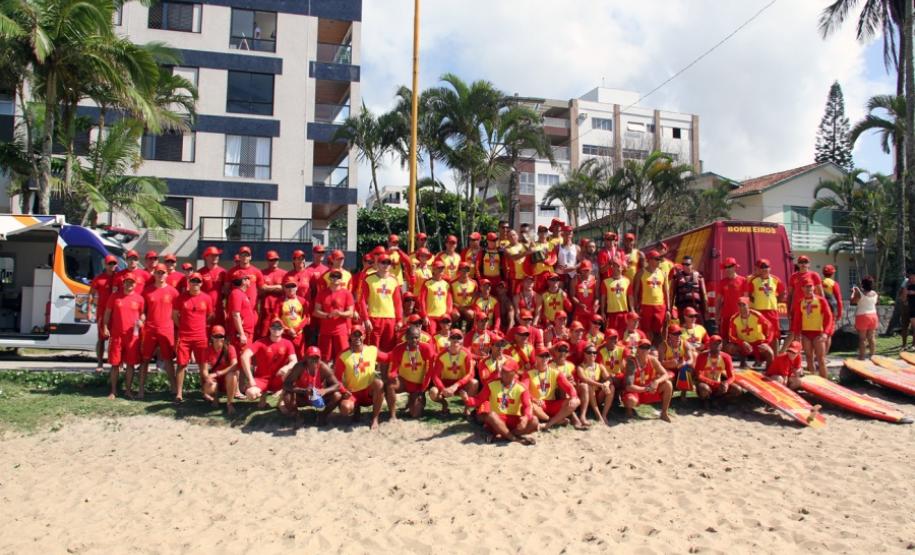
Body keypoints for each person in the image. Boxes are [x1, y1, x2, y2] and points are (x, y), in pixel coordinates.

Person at [466, 360, 538, 445]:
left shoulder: (522, 387)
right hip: (496, 420)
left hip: (513, 418)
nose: (503, 373)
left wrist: (526, 418)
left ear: (514, 373)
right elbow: (479, 399)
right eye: (503, 370)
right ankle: (515, 439)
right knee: (491, 415)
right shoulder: (491, 384)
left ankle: (503, 435)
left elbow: (528, 406)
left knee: (534, 421)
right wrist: (468, 400)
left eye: (507, 371)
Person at [334, 326, 388, 430]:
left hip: (368, 392)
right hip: (353, 393)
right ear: (350, 336)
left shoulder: (372, 350)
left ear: (364, 336)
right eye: (354, 335)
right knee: (345, 408)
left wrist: (401, 349)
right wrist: (343, 391)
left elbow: (388, 357)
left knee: (379, 383)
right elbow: (336, 380)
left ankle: (375, 418)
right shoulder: (343, 356)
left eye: (360, 334)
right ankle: (356, 409)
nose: (357, 337)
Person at [102, 273, 145, 399]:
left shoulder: (139, 299)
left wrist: (142, 321)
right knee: (115, 364)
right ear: (123, 283)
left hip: (132, 337)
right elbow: (107, 313)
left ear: (135, 284)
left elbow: (142, 314)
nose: (129, 284)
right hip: (117, 336)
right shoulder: (115, 296)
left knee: (130, 364)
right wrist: (105, 327)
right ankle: (113, 391)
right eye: (127, 282)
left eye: (132, 282)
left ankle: (128, 390)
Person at [139, 263, 179, 399]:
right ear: (154, 274)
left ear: (167, 274)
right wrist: (141, 320)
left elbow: (177, 312)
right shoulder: (147, 291)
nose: (160, 275)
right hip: (150, 329)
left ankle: (174, 389)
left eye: (163, 273)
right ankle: (141, 389)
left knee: (168, 360)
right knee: (145, 360)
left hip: (166, 329)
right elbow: (143, 311)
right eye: (158, 272)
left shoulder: (173, 292)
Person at [239, 318, 298, 408]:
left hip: (279, 378)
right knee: (250, 393)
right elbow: (244, 356)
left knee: (290, 372)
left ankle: (281, 402)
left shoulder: (288, 343)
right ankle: (263, 399)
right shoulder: (260, 342)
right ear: (269, 328)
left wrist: (286, 367)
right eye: (273, 327)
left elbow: (294, 361)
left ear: (283, 330)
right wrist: (250, 379)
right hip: (262, 379)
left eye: (279, 327)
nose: (276, 329)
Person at [173, 272, 215, 402]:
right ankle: (179, 393)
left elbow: (210, 315)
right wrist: (182, 327)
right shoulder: (181, 298)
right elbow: (174, 315)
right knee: (181, 365)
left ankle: (205, 392)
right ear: (189, 282)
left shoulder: (207, 298)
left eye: (198, 281)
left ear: (201, 283)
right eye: (193, 281)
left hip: (200, 337)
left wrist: (201, 325)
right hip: (184, 337)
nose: (195, 283)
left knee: (203, 366)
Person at [280, 346, 342, 424]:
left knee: (337, 395)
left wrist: (324, 391)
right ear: (306, 358)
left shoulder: (323, 367)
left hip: (319, 396)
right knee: (287, 395)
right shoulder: (299, 367)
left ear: (320, 358)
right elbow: (286, 384)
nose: (314, 360)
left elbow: (337, 385)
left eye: (316, 357)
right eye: (311, 357)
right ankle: (297, 416)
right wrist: (303, 391)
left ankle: (323, 415)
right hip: (302, 396)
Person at [385, 327, 436, 419]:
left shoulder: (426, 348)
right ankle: (393, 415)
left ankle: (413, 399)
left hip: (418, 385)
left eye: (417, 337)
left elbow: (429, 371)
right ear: (406, 337)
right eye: (411, 337)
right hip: (404, 381)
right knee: (390, 385)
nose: (414, 340)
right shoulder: (399, 349)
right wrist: (392, 376)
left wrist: (422, 389)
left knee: (415, 414)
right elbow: (393, 369)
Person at [527, 346, 581, 430]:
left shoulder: (556, 372)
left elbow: (569, 387)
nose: (544, 358)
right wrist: (534, 399)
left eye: (546, 356)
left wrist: (573, 397)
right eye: (541, 356)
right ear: (536, 357)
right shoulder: (529, 373)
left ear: (549, 358)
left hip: (552, 404)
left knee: (576, 401)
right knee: (529, 405)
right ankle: (553, 420)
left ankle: (548, 424)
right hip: (538, 404)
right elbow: (524, 390)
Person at [790, 278, 834, 379]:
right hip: (806, 333)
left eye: (810, 286)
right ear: (802, 288)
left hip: (819, 333)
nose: (809, 289)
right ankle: (813, 380)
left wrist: (826, 333)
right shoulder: (800, 302)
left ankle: (825, 381)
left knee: (820, 359)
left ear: (814, 287)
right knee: (809, 357)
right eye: (806, 287)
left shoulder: (821, 300)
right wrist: (797, 335)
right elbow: (797, 320)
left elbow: (829, 317)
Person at [359, 253, 403, 351]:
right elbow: (362, 301)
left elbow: (398, 303)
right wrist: (366, 319)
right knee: (373, 349)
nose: (386, 265)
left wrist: (399, 320)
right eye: (383, 262)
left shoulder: (394, 281)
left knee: (388, 349)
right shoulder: (369, 279)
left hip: (390, 319)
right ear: (378, 264)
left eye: (388, 263)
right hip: (374, 318)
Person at [429, 329, 478, 415]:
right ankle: (444, 404)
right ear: (449, 339)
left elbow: (471, 374)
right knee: (433, 392)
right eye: (453, 337)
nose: (456, 340)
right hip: (445, 383)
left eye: (458, 337)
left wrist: (456, 385)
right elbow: (435, 376)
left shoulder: (466, 353)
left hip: (460, 384)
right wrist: (443, 389)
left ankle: (467, 408)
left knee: (474, 383)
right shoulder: (441, 355)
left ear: (462, 340)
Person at [623, 339, 673, 422]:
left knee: (668, 384)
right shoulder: (632, 363)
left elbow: (665, 374)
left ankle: (664, 413)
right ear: (637, 349)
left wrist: (657, 382)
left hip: (649, 390)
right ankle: (628, 411)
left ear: (649, 350)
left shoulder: (652, 360)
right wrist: (647, 389)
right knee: (630, 401)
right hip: (636, 391)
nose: (644, 350)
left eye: (647, 348)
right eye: (642, 347)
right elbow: (629, 387)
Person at [313, 268, 355, 362]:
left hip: (341, 331)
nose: (335, 278)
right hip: (325, 331)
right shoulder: (322, 293)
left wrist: (339, 313)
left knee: (343, 358)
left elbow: (351, 313)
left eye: (338, 277)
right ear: (329, 278)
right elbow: (316, 312)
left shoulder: (347, 293)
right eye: (333, 276)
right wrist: (327, 315)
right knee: (324, 359)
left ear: (341, 279)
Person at [746, 258, 785, 353]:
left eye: (766, 267)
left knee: (775, 335)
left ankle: (775, 356)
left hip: (772, 311)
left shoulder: (775, 280)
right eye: (762, 267)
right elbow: (749, 295)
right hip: (758, 312)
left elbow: (782, 293)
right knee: (759, 334)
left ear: (770, 268)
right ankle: (760, 358)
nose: (764, 269)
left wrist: (775, 302)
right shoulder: (754, 281)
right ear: (758, 269)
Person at [88, 254, 119, 373]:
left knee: (116, 339)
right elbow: (91, 294)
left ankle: (116, 363)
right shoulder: (99, 278)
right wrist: (89, 310)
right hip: (102, 312)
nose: (112, 266)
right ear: (105, 265)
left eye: (114, 263)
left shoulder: (119, 277)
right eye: (110, 263)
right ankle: (100, 363)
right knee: (101, 338)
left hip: (116, 312)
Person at [633, 249, 670, 344]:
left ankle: (659, 349)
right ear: (649, 260)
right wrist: (635, 308)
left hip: (660, 306)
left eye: (659, 259)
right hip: (645, 306)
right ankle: (647, 348)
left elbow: (666, 292)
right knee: (646, 331)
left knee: (658, 331)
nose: (659, 261)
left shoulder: (663, 273)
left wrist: (668, 309)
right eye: (656, 259)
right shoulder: (641, 273)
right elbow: (635, 292)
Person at [199, 325, 239, 414]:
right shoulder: (206, 350)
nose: (218, 339)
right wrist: (207, 378)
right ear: (212, 337)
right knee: (209, 385)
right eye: (216, 336)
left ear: (224, 337)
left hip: (226, 378)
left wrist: (219, 373)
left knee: (232, 376)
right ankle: (215, 398)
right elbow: (204, 370)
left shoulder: (230, 348)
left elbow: (235, 365)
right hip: (215, 379)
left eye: (221, 336)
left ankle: (229, 403)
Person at [726, 297, 775, 369]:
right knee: (729, 348)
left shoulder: (757, 316)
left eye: (744, 305)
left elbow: (770, 328)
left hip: (758, 343)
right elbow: (731, 336)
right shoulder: (734, 318)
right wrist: (742, 342)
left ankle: (769, 370)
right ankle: (742, 363)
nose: (741, 307)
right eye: (739, 305)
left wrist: (766, 342)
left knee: (770, 353)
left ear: (748, 305)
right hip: (744, 344)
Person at [694, 335, 740, 406]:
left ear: (722, 346)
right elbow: (699, 376)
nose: (717, 346)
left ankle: (719, 400)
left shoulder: (726, 357)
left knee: (737, 389)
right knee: (704, 388)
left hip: (719, 385)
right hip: (706, 384)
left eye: (719, 344)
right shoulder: (702, 356)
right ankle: (706, 401)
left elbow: (732, 376)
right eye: (715, 344)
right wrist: (716, 384)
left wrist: (726, 383)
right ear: (709, 345)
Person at [576, 344, 613, 426]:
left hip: (597, 395)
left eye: (594, 352)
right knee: (589, 386)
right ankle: (598, 415)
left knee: (611, 387)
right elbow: (585, 379)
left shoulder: (600, 366)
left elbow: (609, 378)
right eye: (589, 352)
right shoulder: (580, 367)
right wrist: (601, 385)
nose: (592, 354)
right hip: (585, 396)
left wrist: (606, 384)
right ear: (585, 354)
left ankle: (604, 415)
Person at [658, 324, 696, 399]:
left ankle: (683, 395)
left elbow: (691, 359)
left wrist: (684, 364)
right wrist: (669, 363)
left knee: (687, 369)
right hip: (669, 369)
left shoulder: (685, 343)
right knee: (668, 375)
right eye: (675, 334)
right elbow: (659, 364)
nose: (678, 336)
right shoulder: (663, 345)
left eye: (679, 334)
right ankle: (669, 392)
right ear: (669, 335)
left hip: (681, 368)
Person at [275, 278, 308, 358]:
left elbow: (307, 318)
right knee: (283, 357)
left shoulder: (303, 301)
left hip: (298, 335)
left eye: (293, 286)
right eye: (288, 286)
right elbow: (276, 317)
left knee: (300, 356)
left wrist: (296, 330)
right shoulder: (279, 301)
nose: (290, 289)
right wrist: (287, 329)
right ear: (284, 288)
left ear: (297, 288)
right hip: (284, 334)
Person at [716, 257, 746, 342]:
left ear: (735, 267)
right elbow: (718, 300)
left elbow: (746, 299)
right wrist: (717, 314)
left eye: (730, 267)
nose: (728, 269)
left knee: (740, 338)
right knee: (725, 338)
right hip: (726, 316)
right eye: (726, 267)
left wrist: (746, 314)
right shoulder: (722, 282)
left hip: (739, 316)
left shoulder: (743, 280)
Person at [601, 258, 633, 337]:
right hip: (611, 313)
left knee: (624, 334)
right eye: (614, 266)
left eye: (618, 266)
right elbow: (603, 298)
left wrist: (632, 310)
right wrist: (602, 312)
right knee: (611, 334)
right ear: (611, 268)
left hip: (624, 312)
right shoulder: (605, 282)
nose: (616, 268)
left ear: (622, 268)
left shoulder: (627, 281)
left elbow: (630, 297)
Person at [257, 250, 286, 339]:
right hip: (266, 308)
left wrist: (267, 288)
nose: (274, 262)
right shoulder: (261, 273)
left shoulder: (284, 273)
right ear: (267, 261)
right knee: (264, 333)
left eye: (276, 259)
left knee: (279, 332)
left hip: (280, 308)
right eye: (271, 260)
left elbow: (284, 289)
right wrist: (277, 287)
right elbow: (260, 289)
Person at [419, 260, 452, 334]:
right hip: (431, 316)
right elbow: (422, 300)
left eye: (442, 268)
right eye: (439, 268)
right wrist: (424, 316)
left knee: (442, 337)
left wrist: (447, 315)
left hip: (443, 317)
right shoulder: (427, 283)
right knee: (432, 335)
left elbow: (449, 301)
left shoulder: (446, 284)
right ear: (433, 269)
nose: (441, 270)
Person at [226, 271, 257, 352]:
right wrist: (242, 334)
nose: (250, 281)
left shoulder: (241, 293)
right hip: (242, 333)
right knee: (243, 357)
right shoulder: (236, 293)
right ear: (243, 281)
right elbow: (236, 315)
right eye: (248, 279)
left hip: (246, 332)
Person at [851, 276, 879, 360]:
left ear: (863, 284)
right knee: (871, 337)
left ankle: (862, 357)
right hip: (873, 315)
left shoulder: (860, 293)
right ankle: (873, 356)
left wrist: (853, 292)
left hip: (862, 316)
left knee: (862, 339)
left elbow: (853, 301)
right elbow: (875, 302)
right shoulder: (875, 293)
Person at [198, 246, 226, 325]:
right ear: (206, 257)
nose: (215, 257)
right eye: (212, 255)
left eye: (217, 255)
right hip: (204, 308)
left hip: (219, 309)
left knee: (219, 331)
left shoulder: (223, 272)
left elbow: (227, 291)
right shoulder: (200, 273)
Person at [821, 264, 843, 354]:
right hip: (831, 310)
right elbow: (839, 300)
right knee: (828, 334)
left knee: (821, 333)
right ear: (832, 273)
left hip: (821, 310)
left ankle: (819, 355)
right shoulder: (834, 284)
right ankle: (823, 355)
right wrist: (840, 313)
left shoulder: (820, 282)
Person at [569, 260, 599, 325]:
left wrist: (596, 304)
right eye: (584, 270)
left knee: (591, 331)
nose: (585, 272)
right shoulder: (575, 279)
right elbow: (572, 296)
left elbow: (597, 297)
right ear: (580, 270)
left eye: (587, 270)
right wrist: (579, 304)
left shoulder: (594, 280)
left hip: (591, 312)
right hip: (579, 312)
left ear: (591, 270)